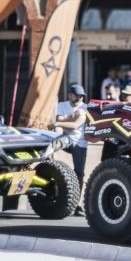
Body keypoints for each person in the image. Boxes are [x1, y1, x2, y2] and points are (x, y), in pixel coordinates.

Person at [55, 84, 88, 216]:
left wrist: (59, 123)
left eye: (81, 96)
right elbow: (59, 119)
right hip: (65, 139)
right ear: (70, 95)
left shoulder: (85, 108)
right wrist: (69, 118)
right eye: (76, 95)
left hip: (80, 143)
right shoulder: (62, 105)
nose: (79, 98)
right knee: (53, 140)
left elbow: (75, 125)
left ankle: (77, 204)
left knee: (79, 173)